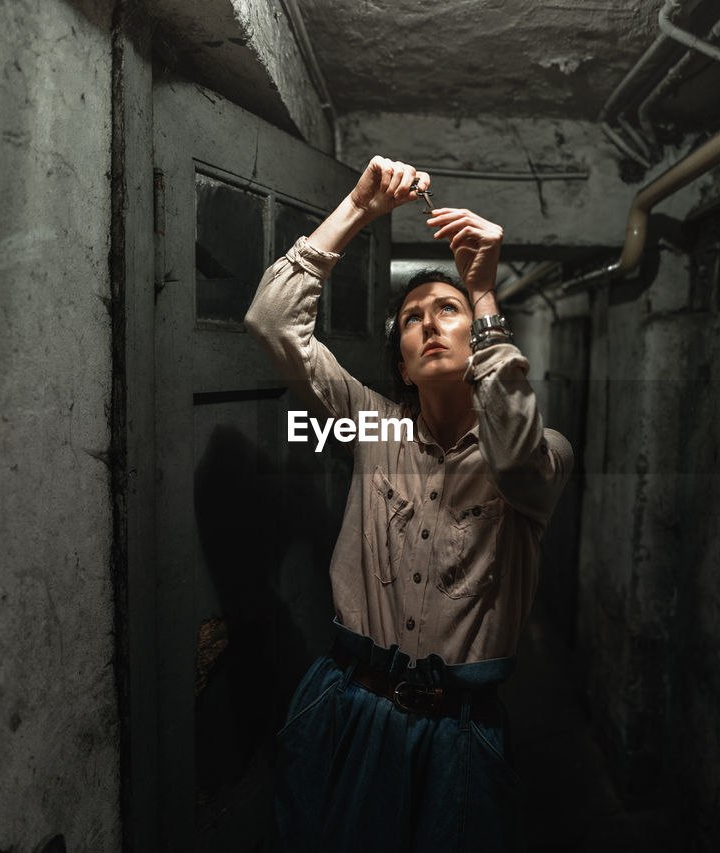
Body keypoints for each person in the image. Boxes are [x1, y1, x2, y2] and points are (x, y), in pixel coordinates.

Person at [245, 155, 572, 852]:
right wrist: (360, 209)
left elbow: (511, 453)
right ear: (399, 363)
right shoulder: (374, 426)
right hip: (348, 710)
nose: (429, 323)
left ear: (479, 333)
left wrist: (483, 293)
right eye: (414, 317)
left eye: (445, 310)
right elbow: (274, 323)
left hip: (458, 733)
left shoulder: (543, 453)